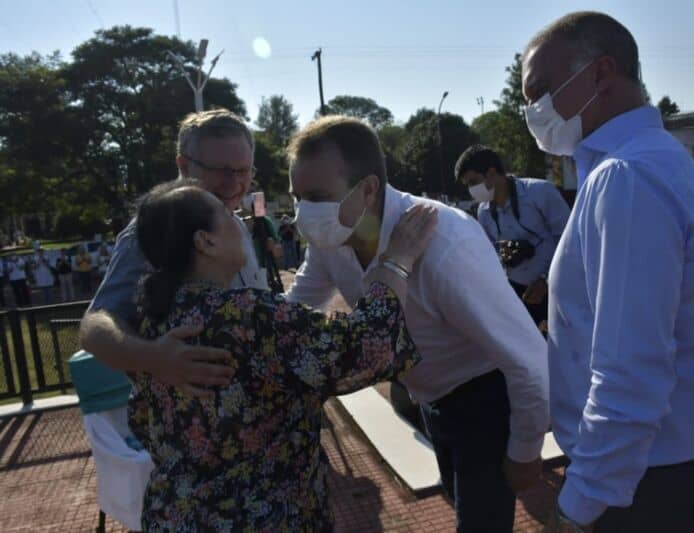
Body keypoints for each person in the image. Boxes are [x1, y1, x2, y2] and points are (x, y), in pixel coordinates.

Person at [285, 116, 549, 532]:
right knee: (458, 498)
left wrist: (525, 451)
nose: (303, 214)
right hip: (429, 396)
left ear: (368, 188)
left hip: (484, 398)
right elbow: (296, 308)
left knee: (480, 524)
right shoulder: (333, 238)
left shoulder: (446, 244)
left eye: (317, 196)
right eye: (297, 197)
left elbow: (529, 359)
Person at [128, 179, 434, 530]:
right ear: (205, 241)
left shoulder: (151, 326)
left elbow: (142, 421)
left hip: (175, 516)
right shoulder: (246, 315)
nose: (240, 220)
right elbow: (364, 350)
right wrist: (396, 262)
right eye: (228, 215)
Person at [522, 12, 694, 532]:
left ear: (600, 74)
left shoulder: (628, 177)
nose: (533, 110)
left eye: (541, 90)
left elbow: (629, 370)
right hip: (654, 471)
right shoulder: (642, 164)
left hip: (641, 487)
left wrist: (579, 506)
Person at [79, 109, 269, 393]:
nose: (233, 184)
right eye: (221, 171)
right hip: (198, 420)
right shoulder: (151, 232)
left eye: (243, 171)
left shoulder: (234, 225)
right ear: (183, 165)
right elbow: (95, 327)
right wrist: (154, 357)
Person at [455, 145, 570, 331]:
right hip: (519, 293)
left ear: (491, 173)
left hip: (557, 288)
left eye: (473, 182)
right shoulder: (484, 211)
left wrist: (546, 280)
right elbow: (492, 255)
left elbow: (570, 241)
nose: (471, 190)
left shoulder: (540, 192)